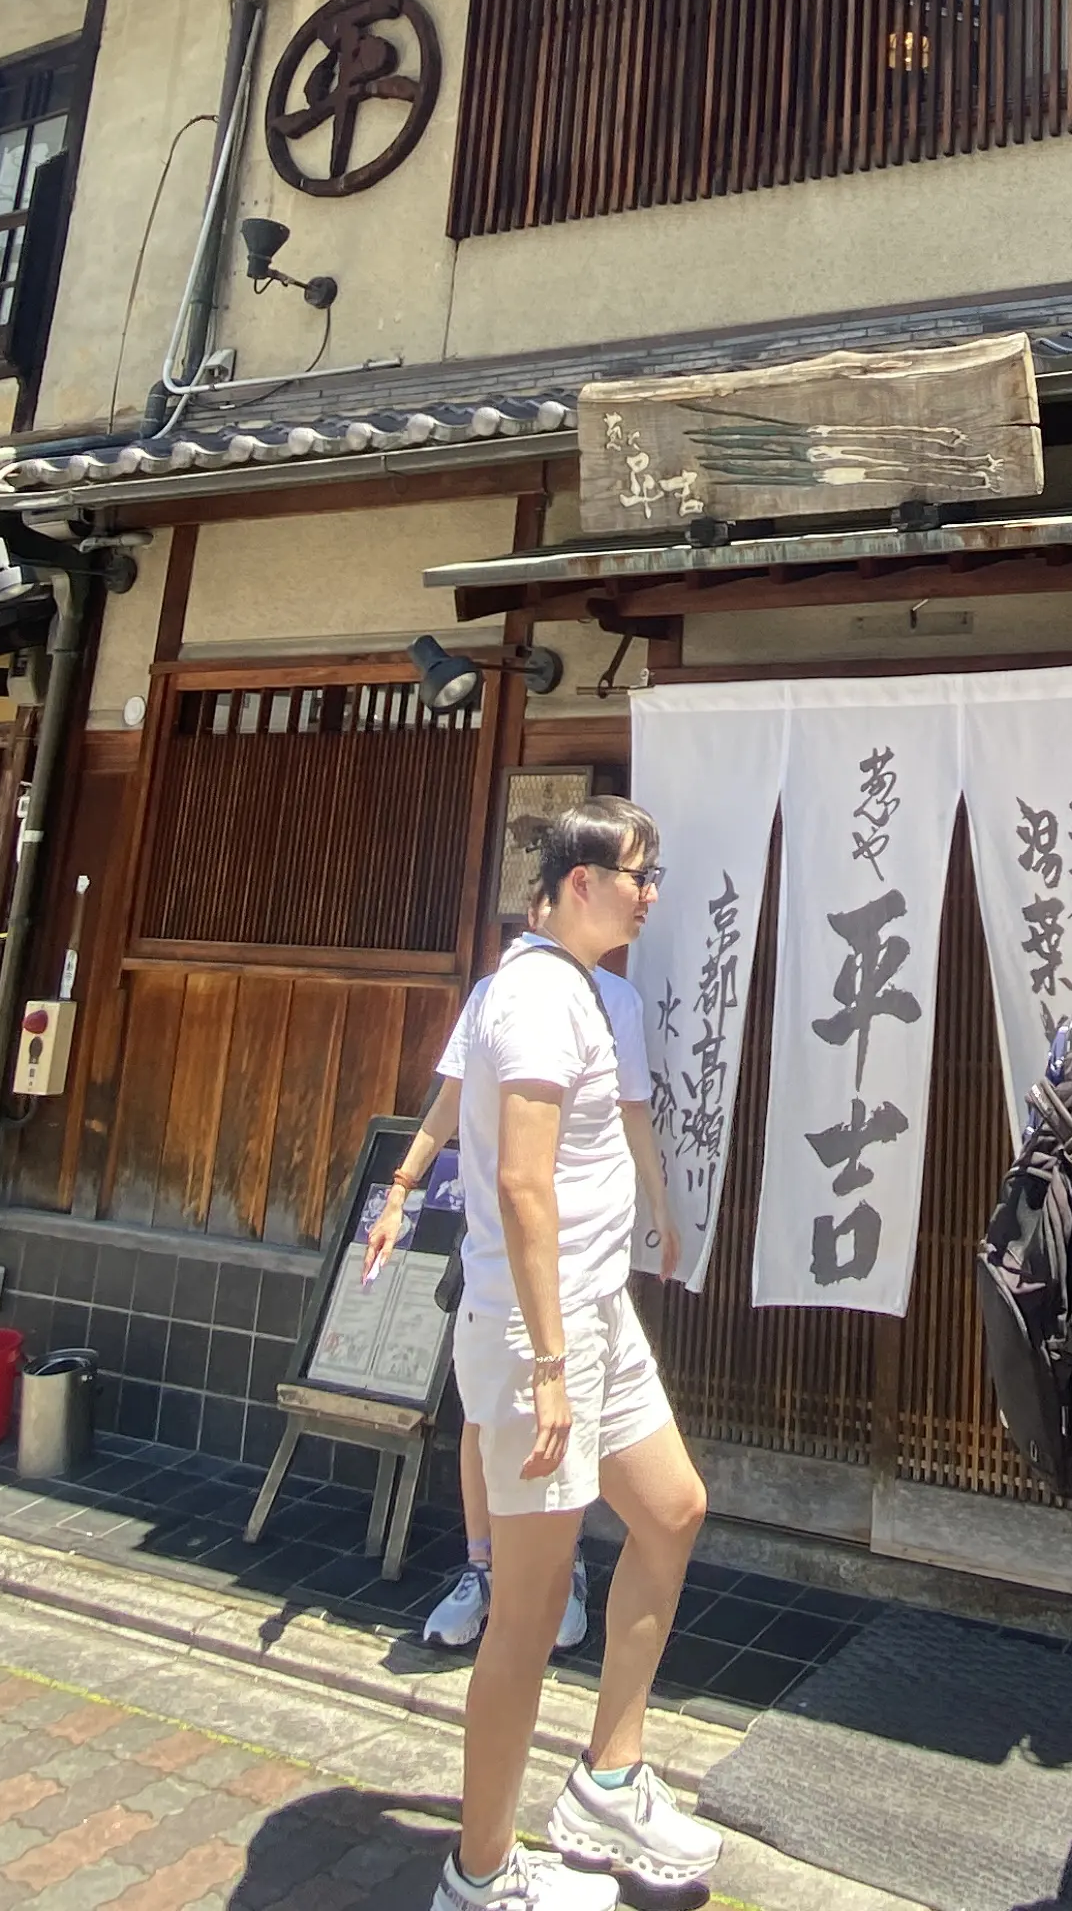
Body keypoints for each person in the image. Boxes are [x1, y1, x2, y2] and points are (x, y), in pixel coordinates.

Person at [434, 795, 718, 1911]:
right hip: (533, 1335)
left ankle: (606, 1778)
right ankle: (482, 1871)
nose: (652, 894)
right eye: (638, 875)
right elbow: (519, 1182)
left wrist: (655, 1209)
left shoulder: (594, 998)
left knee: (673, 1510)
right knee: (530, 1608)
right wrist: (552, 1364)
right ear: (578, 883)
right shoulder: (537, 996)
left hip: (596, 1317)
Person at [364, 934, 684, 1657]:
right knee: (486, 1422)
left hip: (581, 1268)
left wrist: (659, 1208)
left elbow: (633, 1109)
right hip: (500, 1274)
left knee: (580, 1439)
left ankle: (556, 1574)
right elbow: (450, 1100)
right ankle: (483, 1572)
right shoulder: (493, 996)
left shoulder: (617, 1002)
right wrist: (401, 1190)